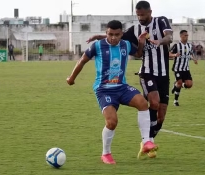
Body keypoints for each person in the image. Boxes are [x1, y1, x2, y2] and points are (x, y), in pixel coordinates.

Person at [86, 1, 173, 159]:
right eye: (138, 15)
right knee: (153, 102)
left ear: (150, 12)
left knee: (161, 115)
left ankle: (149, 140)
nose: (140, 18)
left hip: (163, 72)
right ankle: (147, 141)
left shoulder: (161, 21)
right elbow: (116, 37)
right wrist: (99, 37)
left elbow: (169, 37)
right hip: (147, 71)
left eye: (143, 15)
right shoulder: (135, 29)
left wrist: (160, 41)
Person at [66, 20, 156, 164]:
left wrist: (140, 42)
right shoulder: (97, 46)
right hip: (104, 90)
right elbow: (82, 61)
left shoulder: (126, 44)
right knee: (112, 122)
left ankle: (146, 142)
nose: (113, 38)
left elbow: (139, 53)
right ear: (106, 33)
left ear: (122, 34)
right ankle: (105, 154)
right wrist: (71, 78)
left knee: (143, 103)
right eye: (110, 34)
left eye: (117, 34)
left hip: (121, 86)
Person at [169, 30, 197, 106]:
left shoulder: (190, 45)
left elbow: (191, 53)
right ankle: (175, 101)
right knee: (180, 82)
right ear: (181, 36)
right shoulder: (176, 45)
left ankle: (176, 85)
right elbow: (169, 54)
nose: (186, 37)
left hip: (186, 69)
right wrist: (175, 55)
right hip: (177, 68)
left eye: (187, 35)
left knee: (189, 85)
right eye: (185, 35)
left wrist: (194, 59)